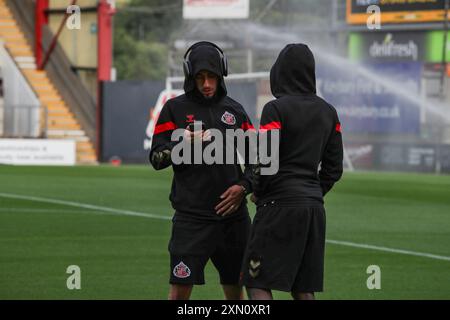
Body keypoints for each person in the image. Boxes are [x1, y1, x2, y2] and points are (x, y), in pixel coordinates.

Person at [149, 41, 255, 300]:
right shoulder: (174, 109)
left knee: (236, 290)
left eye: (212, 77)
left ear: (222, 75)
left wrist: (244, 187)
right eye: (200, 77)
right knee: (179, 293)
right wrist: (182, 143)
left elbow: (259, 159)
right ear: (189, 76)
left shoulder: (235, 110)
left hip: (234, 219)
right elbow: (156, 158)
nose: (206, 84)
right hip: (191, 220)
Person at [241, 44, 343, 300]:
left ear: (280, 73)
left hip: (278, 205)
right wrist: (312, 193)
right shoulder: (329, 112)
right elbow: (334, 168)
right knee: (302, 285)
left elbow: (266, 159)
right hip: (313, 209)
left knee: (256, 280)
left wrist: (259, 192)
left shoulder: (275, 109)